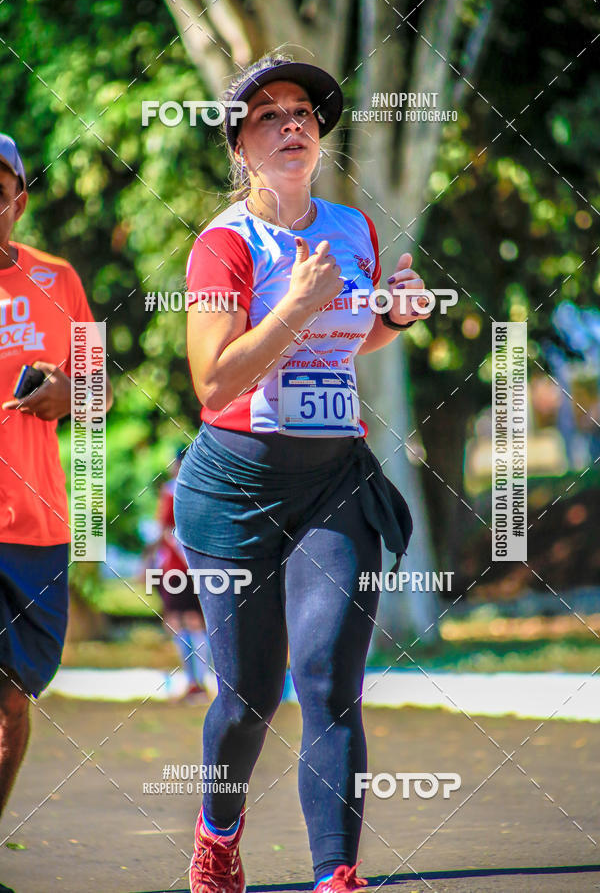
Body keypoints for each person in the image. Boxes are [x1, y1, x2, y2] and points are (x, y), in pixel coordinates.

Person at [173, 55, 430, 893]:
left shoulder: (353, 227)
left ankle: (337, 875)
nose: (292, 123)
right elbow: (214, 382)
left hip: (334, 485)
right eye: (268, 114)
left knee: (328, 681)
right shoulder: (223, 246)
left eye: (305, 113)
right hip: (236, 492)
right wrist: (296, 305)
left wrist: (390, 312)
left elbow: (354, 339)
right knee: (248, 697)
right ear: (240, 147)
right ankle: (218, 831)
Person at [0, 134, 113, 847]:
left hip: (35, 525)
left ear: (18, 199)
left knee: (11, 705)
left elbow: (100, 390)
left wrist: (69, 391)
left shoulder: (58, 279)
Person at [149, 448, 212, 701]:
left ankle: (192, 682)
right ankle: (198, 682)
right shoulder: (207, 487)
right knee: (197, 621)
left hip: (175, 567)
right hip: (202, 564)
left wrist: (147, 560)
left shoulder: (171, 490)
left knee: (178, 620)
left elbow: (161, 528)